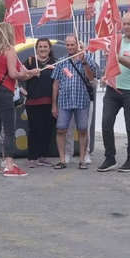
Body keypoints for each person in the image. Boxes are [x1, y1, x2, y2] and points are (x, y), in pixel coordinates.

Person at [98, 12, 130, 173]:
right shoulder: (118, 40)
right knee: (106, 124)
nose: (126, 27)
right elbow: (112, 62)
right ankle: (110, 158)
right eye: (124, 24)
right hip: (113, 89)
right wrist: (105, 75)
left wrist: (117, 57)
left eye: (129, 24)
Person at [0, 22, 30, 178]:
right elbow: (13, 74)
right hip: (4, 92)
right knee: (9, 129)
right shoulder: (9, 50)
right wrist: (26, 73)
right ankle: (9, 165)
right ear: (10, 34)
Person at [53, 33, 97, 169]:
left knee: (83, 131)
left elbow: (91, 78)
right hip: (64, 102)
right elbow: (56, 84)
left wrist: (84, 62)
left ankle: (82, 160)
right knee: (61, 130)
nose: (70, 47)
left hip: (81, 101)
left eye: (72, 44)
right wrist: (54, 105)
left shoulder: (88, 59)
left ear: (78, 45)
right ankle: (62, 159)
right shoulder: (61, 61)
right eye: (67, 45)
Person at [21, 38, 59, 166]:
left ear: (49, 48)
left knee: (48, 130)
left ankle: (43, 156)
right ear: (36, 48)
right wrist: (31, 73)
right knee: (34, 130)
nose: (43, 49)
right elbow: (18, 76)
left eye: (45, 47)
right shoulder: (30, 61)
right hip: (33, 102)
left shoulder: (56, 62)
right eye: (40, 47)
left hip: (50, 102)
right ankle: (32, 158)